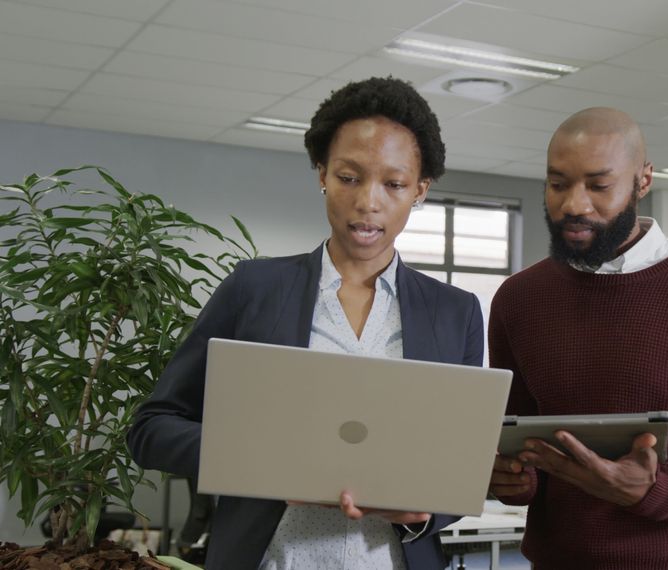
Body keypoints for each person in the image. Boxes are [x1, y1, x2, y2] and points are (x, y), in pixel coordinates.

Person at [127, 77, 484, 570]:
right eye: (348, 177)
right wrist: (260, 459)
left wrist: (421, 514)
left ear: (420, 189)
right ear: (321, 173)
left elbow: (460, 468)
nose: (368, 202)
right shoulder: (255, 288)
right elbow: (152, 429)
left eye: (394, 184)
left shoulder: (456, 312)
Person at [486, 107, 668, 569]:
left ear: (643, 181)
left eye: (598, 186)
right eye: (558, 183)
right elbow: (521, 441)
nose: (573, 205)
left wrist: (659, 490)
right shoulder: (518, 300)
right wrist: (513, 479)